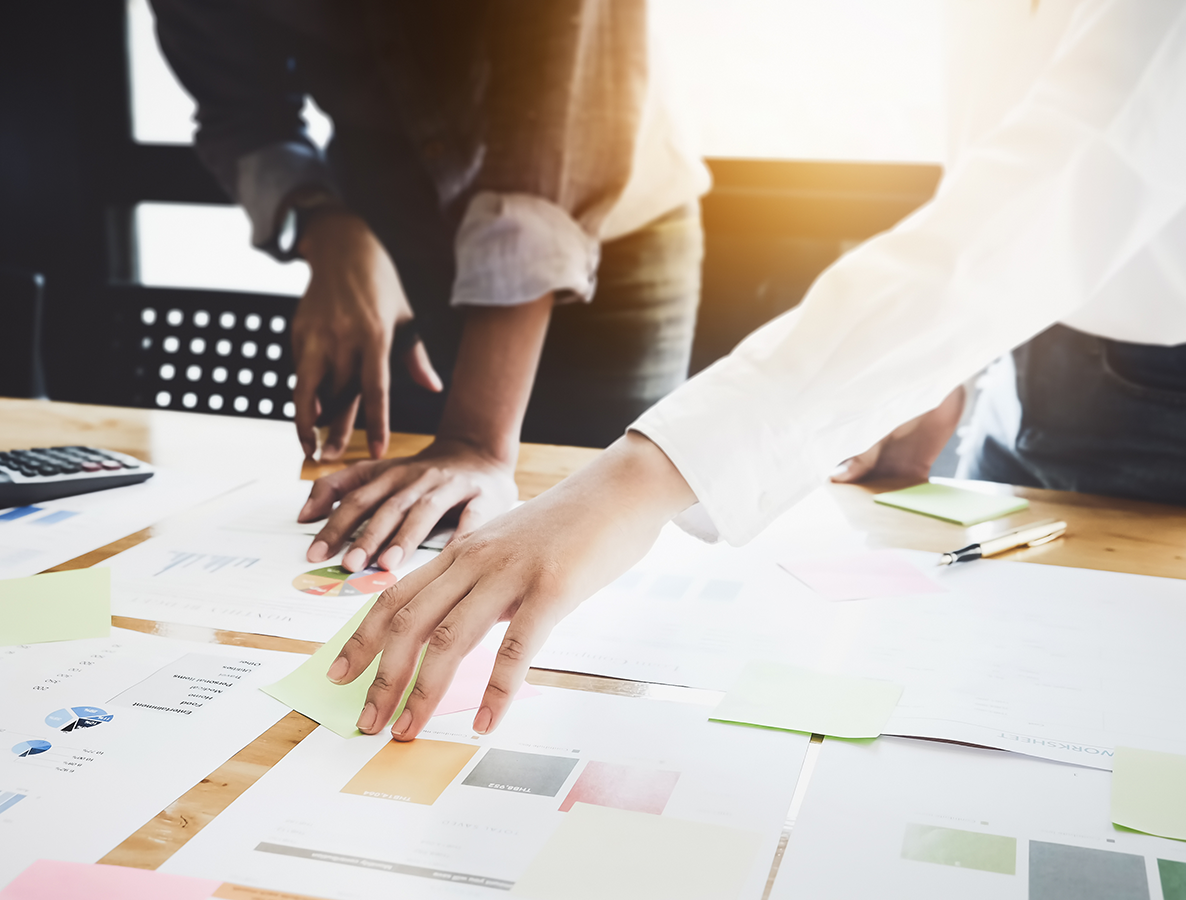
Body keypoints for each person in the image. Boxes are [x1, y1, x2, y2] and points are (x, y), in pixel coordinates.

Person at [317, 0, 1186, 741]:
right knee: (1001, 697)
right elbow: (1027, 152)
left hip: (1162, 396)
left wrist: (634, 478)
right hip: (1040, 349)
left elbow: (1083, 164)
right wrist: (947, 356)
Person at [151, 0, 708, 573]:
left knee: (603, 538)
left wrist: (476, 440)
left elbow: (549, 134)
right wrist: (325, 226)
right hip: (399, 242)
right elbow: (241, 111)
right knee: (416, 530)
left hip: (607, 227)